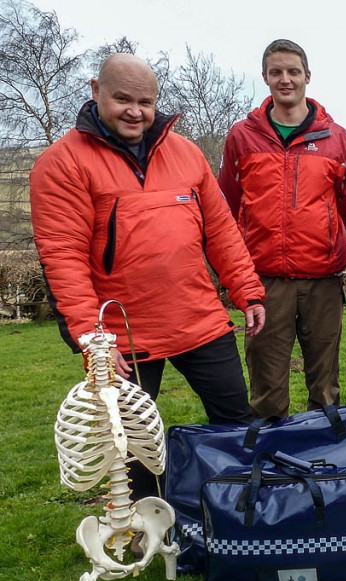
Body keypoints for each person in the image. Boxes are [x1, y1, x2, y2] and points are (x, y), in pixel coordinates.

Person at [31, 54, 266, 495]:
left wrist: (248, 292)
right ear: (95, 90)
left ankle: (246, 511)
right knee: (132, 440)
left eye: (146, 101)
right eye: (123, 98)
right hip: (123, 334)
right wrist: (93, 340)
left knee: (237, 421)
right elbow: (63, 259)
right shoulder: (61, 164)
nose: (135, 111)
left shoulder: (186, 152)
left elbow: (221, 231)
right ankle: (143, 526)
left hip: (199, 319)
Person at [219, 39, 346, 420]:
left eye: (293, 71)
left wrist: (324, 238)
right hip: (263, 282)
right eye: (276, 72)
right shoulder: (241, 137)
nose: (285, 79)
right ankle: (269, 467)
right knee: (266, 388)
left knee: (325, 385)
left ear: (307, 76)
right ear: (264, 77)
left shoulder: (338, 140)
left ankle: (324, 464)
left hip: (323, 281)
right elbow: (226, 207)